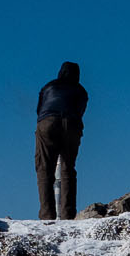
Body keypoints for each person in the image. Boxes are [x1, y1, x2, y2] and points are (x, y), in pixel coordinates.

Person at [35, 61, 89, 221]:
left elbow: (39, 109)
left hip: (47, 121)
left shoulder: (48, 86)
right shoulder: (81, 91)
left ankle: (47, 215)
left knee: (44, 168)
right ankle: (67, 215)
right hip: (72, 123)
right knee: (67, 168)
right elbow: (80, 111)